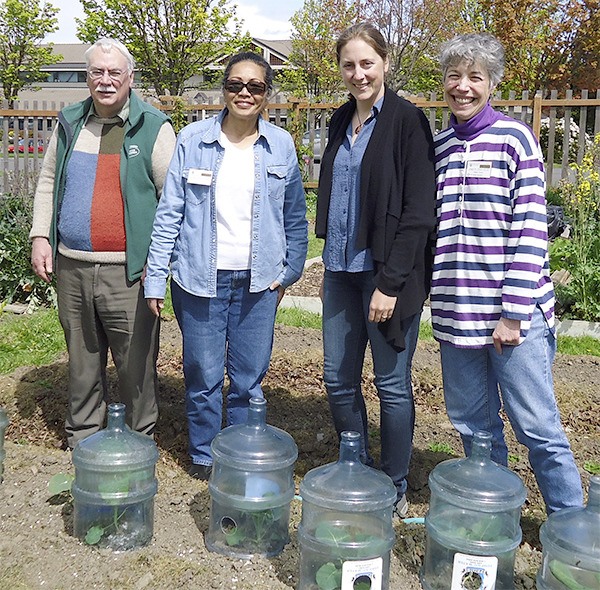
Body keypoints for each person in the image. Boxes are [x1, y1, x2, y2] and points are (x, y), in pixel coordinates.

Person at [430, 32, 583, 513]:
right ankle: (491, 512)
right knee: (474, 427)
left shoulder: (515, 138)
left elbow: (530, 230)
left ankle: (568, 524)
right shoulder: (438, 147)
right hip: (457, 315)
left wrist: (514, 315)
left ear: (492, 83)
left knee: (537, 425)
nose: (463, 86)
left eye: (475, 76)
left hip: (513, 319)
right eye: (454, 76)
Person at [144, 51, 308, 480]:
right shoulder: (193, 140)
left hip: (259, 282)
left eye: (255, 86)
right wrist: (156, 277)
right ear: (224, 89)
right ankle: (203, 455)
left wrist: (288, 271)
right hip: (199, 279)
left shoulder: (281, 146)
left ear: (266, 94)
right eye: (236, 84)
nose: (244, 93)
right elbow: (169, 213)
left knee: (249, 380)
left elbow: (294, 216)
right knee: (202, 375)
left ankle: (237, 454)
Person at [30, 38, 176, 449]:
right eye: (97, 72)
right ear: (87, 77)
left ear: (130, 77)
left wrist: (159, 262)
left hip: (128, 273)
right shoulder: (70, 122)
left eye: (115, 73)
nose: (106, 81)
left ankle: (138, 443)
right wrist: (41, 235)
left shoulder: (154, 128)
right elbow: (46, 183)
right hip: (72, 266)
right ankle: (84, 442)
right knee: (81, 363)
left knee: (136, 367)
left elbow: (174, 201)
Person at [315, 23, 436, 518]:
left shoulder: (407, 121)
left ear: (384, 63)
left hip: (384, 276)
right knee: (337, 377)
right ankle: (356, 465)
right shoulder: (341, 120)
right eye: (349, 64)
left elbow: (418, 213)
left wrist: (390, 283)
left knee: (390, 384)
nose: (358, 73)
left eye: (367, 63)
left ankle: (394, 483)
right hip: (341, 272)